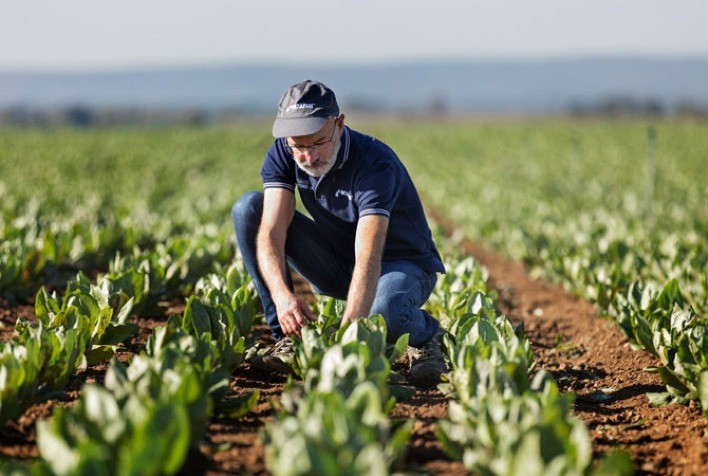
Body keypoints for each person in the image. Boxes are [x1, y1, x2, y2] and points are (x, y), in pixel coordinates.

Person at [231, 79, 446, 386]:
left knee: (385, 312)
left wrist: (350, 334)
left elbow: (369, 254)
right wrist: (283, 299)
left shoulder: (374, 163)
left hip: (402, 266)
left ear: (339, 124)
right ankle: (289, 340)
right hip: (340, 263)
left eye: (318, 142)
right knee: (249, 209)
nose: (309, 157)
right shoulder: (284, 152)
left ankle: (427, 337)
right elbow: (271, 231)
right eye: (299, 146)